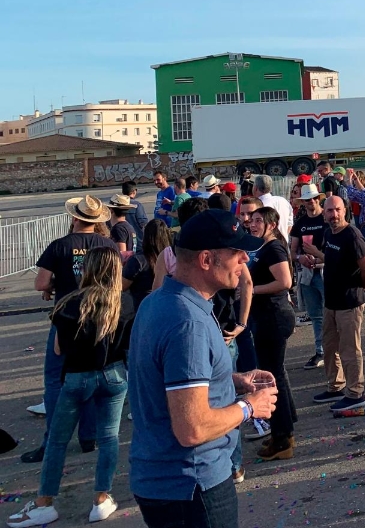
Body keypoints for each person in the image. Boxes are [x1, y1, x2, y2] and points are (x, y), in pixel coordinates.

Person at [127, 210, 277, 528]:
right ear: (206, 260)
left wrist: (230, 380)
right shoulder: (187, 321)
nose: (245, 261)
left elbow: (164, 377)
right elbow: (191, 428)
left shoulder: (159, 300)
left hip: (165, 479)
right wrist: (250, 408)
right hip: (191, 484)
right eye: (237, 253)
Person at [7, 248, 133, 527]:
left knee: (58, 440)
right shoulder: (124, 302)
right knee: (109, 438)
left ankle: (44, 502)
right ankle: (101, 497)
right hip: (114, 374)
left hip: (77, 376)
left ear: (87, 269)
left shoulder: (68, 303)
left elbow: (58, 348)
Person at [25, 196, 115, 464]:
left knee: (55, 380)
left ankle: (53, 439)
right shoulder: (107, 245)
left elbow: (40, 284)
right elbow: (116, 283)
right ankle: (89, 437)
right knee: (90, 375)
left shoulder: (60, 246)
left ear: (75, 218)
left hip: (67, 318)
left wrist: (56, 283)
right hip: (99, 317)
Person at [309, 196, 365, 413]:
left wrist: (358, 288)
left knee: (349, 349)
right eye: (329, 211)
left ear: (344, 210)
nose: (333, 215)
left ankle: (355, 393)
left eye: (337, 210)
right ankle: (336, 386)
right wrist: (316, 261)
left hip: (349, 303)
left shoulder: (352, 235)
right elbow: (332, 258)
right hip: (331, 302)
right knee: (329, 347)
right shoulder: (329, 233)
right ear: (324, 212)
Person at [244, 207, 297, 461]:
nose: (252, 224)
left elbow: (285, 282)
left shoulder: (274, 248)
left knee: (271, 377)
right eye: (251, 219)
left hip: (274, 318)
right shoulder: (261, 247)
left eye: (258, 220)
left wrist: (252, 290)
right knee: (277, 375)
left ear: (272, 224)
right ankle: (284, 430)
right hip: (265, 319)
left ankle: (282, 437)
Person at [290, 184, 328, 371]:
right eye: (307, 199)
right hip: (308, 274)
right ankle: (320, 351)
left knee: (332, 313)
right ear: (303, 202)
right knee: (316, 316)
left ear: (319, 199)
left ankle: (333, 349)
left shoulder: (327, 218)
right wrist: (300, 258)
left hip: (326, 271)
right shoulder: (300, 223)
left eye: (314, 198)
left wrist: (318, 255)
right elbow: (292, 252)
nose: (311, 202)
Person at [123, 219, 171, 310]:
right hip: (166, 307)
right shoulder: (172, 258)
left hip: (140, 310)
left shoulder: (138, 260)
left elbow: (121, 287)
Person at [252, 175, 293, 240]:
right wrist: (282, 236)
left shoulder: (258, 206)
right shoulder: (284, 201)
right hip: (283, 244)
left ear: (255, 188)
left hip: (266, 244)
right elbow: (290, 224)